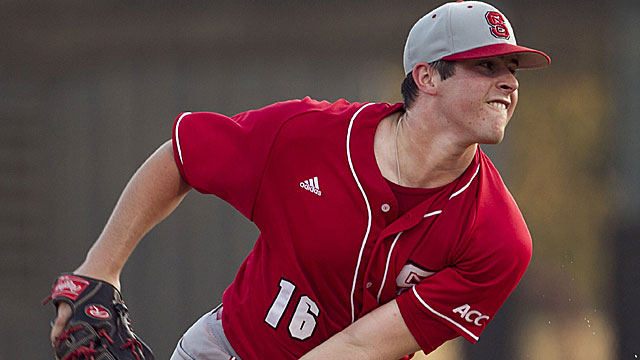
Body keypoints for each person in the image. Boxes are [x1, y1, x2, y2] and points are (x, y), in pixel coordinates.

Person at [49, 1, 550, 359]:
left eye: (511, 68)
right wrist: (100, 271)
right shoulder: (309, 134)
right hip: (227, 347)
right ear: (427, 78)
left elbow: (361, 346)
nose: (510, 81)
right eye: (486, 65)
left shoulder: (497, 237)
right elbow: (182, 157)